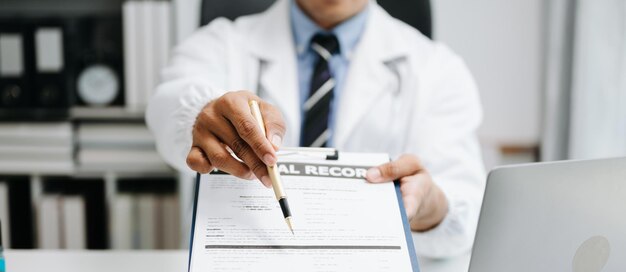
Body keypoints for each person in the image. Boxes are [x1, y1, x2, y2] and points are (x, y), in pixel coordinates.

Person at [146, 0, 485, 258]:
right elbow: (168, 106)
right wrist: (201, 114)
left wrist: (430, 208)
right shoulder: (221, 43)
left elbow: (463, 215)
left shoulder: (438, 68)